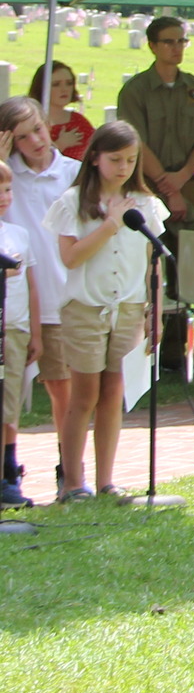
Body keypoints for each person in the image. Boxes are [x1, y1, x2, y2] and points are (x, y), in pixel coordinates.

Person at [43, 119, 166, 500]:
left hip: (128, 308)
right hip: (86, 308)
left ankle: (106, 481)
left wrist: (155, 313)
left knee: (114, 392)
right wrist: (110, 226)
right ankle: (74, 482)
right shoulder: (73, 202)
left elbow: (153, 263)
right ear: (95, 158)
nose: (123, 167)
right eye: (115, 159)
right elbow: (71, 258)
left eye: (131, 159)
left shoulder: (145, 205)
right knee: (84, 395)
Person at [115, 15, 194, 350]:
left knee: (185, 266)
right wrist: (166, 185)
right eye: (169, 42)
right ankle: (148, 343)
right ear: (152, 46)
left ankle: (182, 348)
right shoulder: (136, 90)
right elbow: (136, 143)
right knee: (149, 265)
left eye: (181, 41)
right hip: (146, 184)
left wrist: (181, 179)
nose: (177, 48)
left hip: (185, 182)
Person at [1, 96, 80, 471]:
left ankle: (69, 465)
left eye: (37, 129)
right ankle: (9, 466)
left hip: (64, 297)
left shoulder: (72, 173)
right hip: (20, 303)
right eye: (22, 137)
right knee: (12, 390)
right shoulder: (6, 177)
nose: (35, 140)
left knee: (63, 387)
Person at [0, 160, 32, 508]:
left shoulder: (18, 235)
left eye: (7, 189)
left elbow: (31, 285)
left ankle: (9, 469)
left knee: (9, 404)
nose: (3, 197)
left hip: (15, 329)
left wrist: (34, 331)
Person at [44, 61, 93, 160]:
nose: (64, 89)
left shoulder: (79, 122)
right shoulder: (32, 123)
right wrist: (60, 144)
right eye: (56, 84)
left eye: (69, 83)